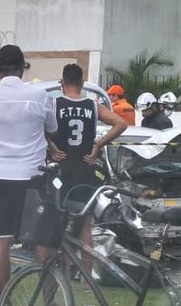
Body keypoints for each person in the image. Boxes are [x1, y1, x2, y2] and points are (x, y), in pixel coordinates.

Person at [0, 44, 58, 294]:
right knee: (40, 242)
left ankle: (7, 304)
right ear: (23, 68)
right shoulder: (38, 95)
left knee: (0, 242)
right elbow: (53, 128)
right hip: (31, 177)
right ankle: (49, 301)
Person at [49, 63, 127, 278]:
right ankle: (85, 278)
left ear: (62, 83)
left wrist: (51, 146)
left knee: (63, 224)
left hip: (62, 170)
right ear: (82, 83)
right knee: (86, 227)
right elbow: (120, 124)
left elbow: (39, 125)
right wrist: (98, 145)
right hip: (85, 169)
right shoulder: (93, 105)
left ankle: (64, 274)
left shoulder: (55, 104)